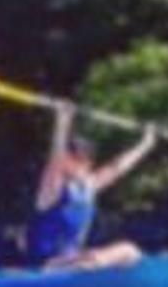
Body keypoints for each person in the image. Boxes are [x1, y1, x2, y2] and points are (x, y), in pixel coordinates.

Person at [27, 104, 157, 271]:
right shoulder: (52, 189)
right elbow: (55, 159)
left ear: (88, 164)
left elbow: (118, 167)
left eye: (78, 158)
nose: (71, 161)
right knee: (96, 260)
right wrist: (63, 122)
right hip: (48, 266)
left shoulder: (88, 187)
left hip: (75, 261)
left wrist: (146, 143)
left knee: (129, 251)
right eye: (70, 156)